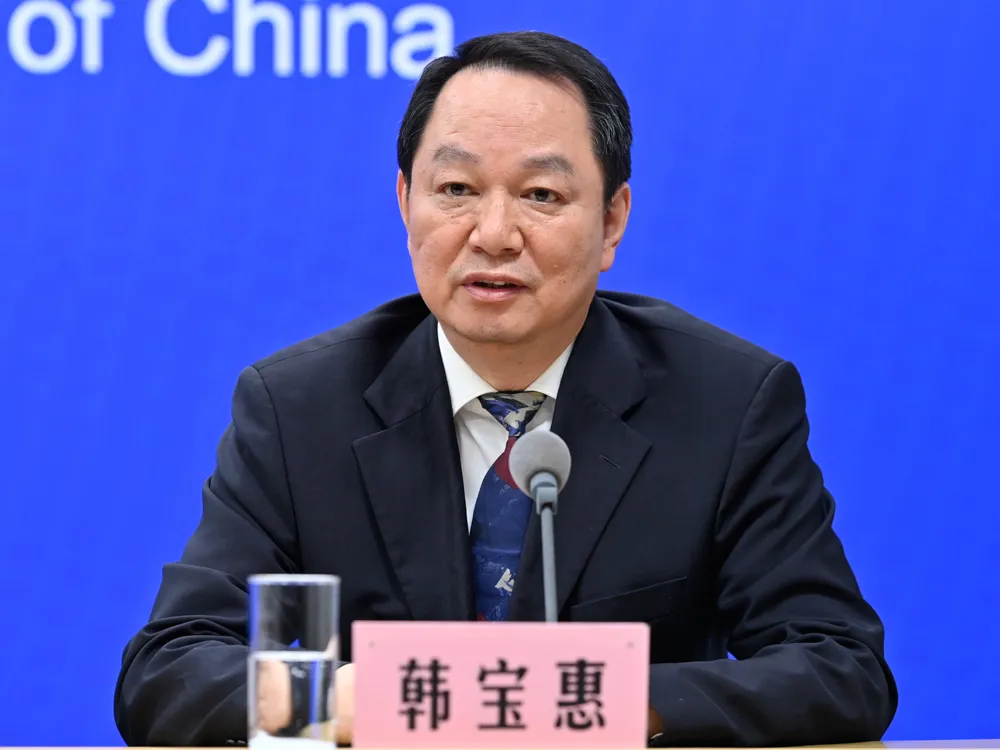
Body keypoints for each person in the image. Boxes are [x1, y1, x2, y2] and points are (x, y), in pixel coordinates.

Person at [113, 30, 897, 747]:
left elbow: (840, 667)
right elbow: (167, 671)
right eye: (456, 189)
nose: (492, 234)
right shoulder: (299, 409)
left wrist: (600, 699)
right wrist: (350, 700)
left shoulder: (725, 402)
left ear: (612, 221)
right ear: (404, 203)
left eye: (541, 195)